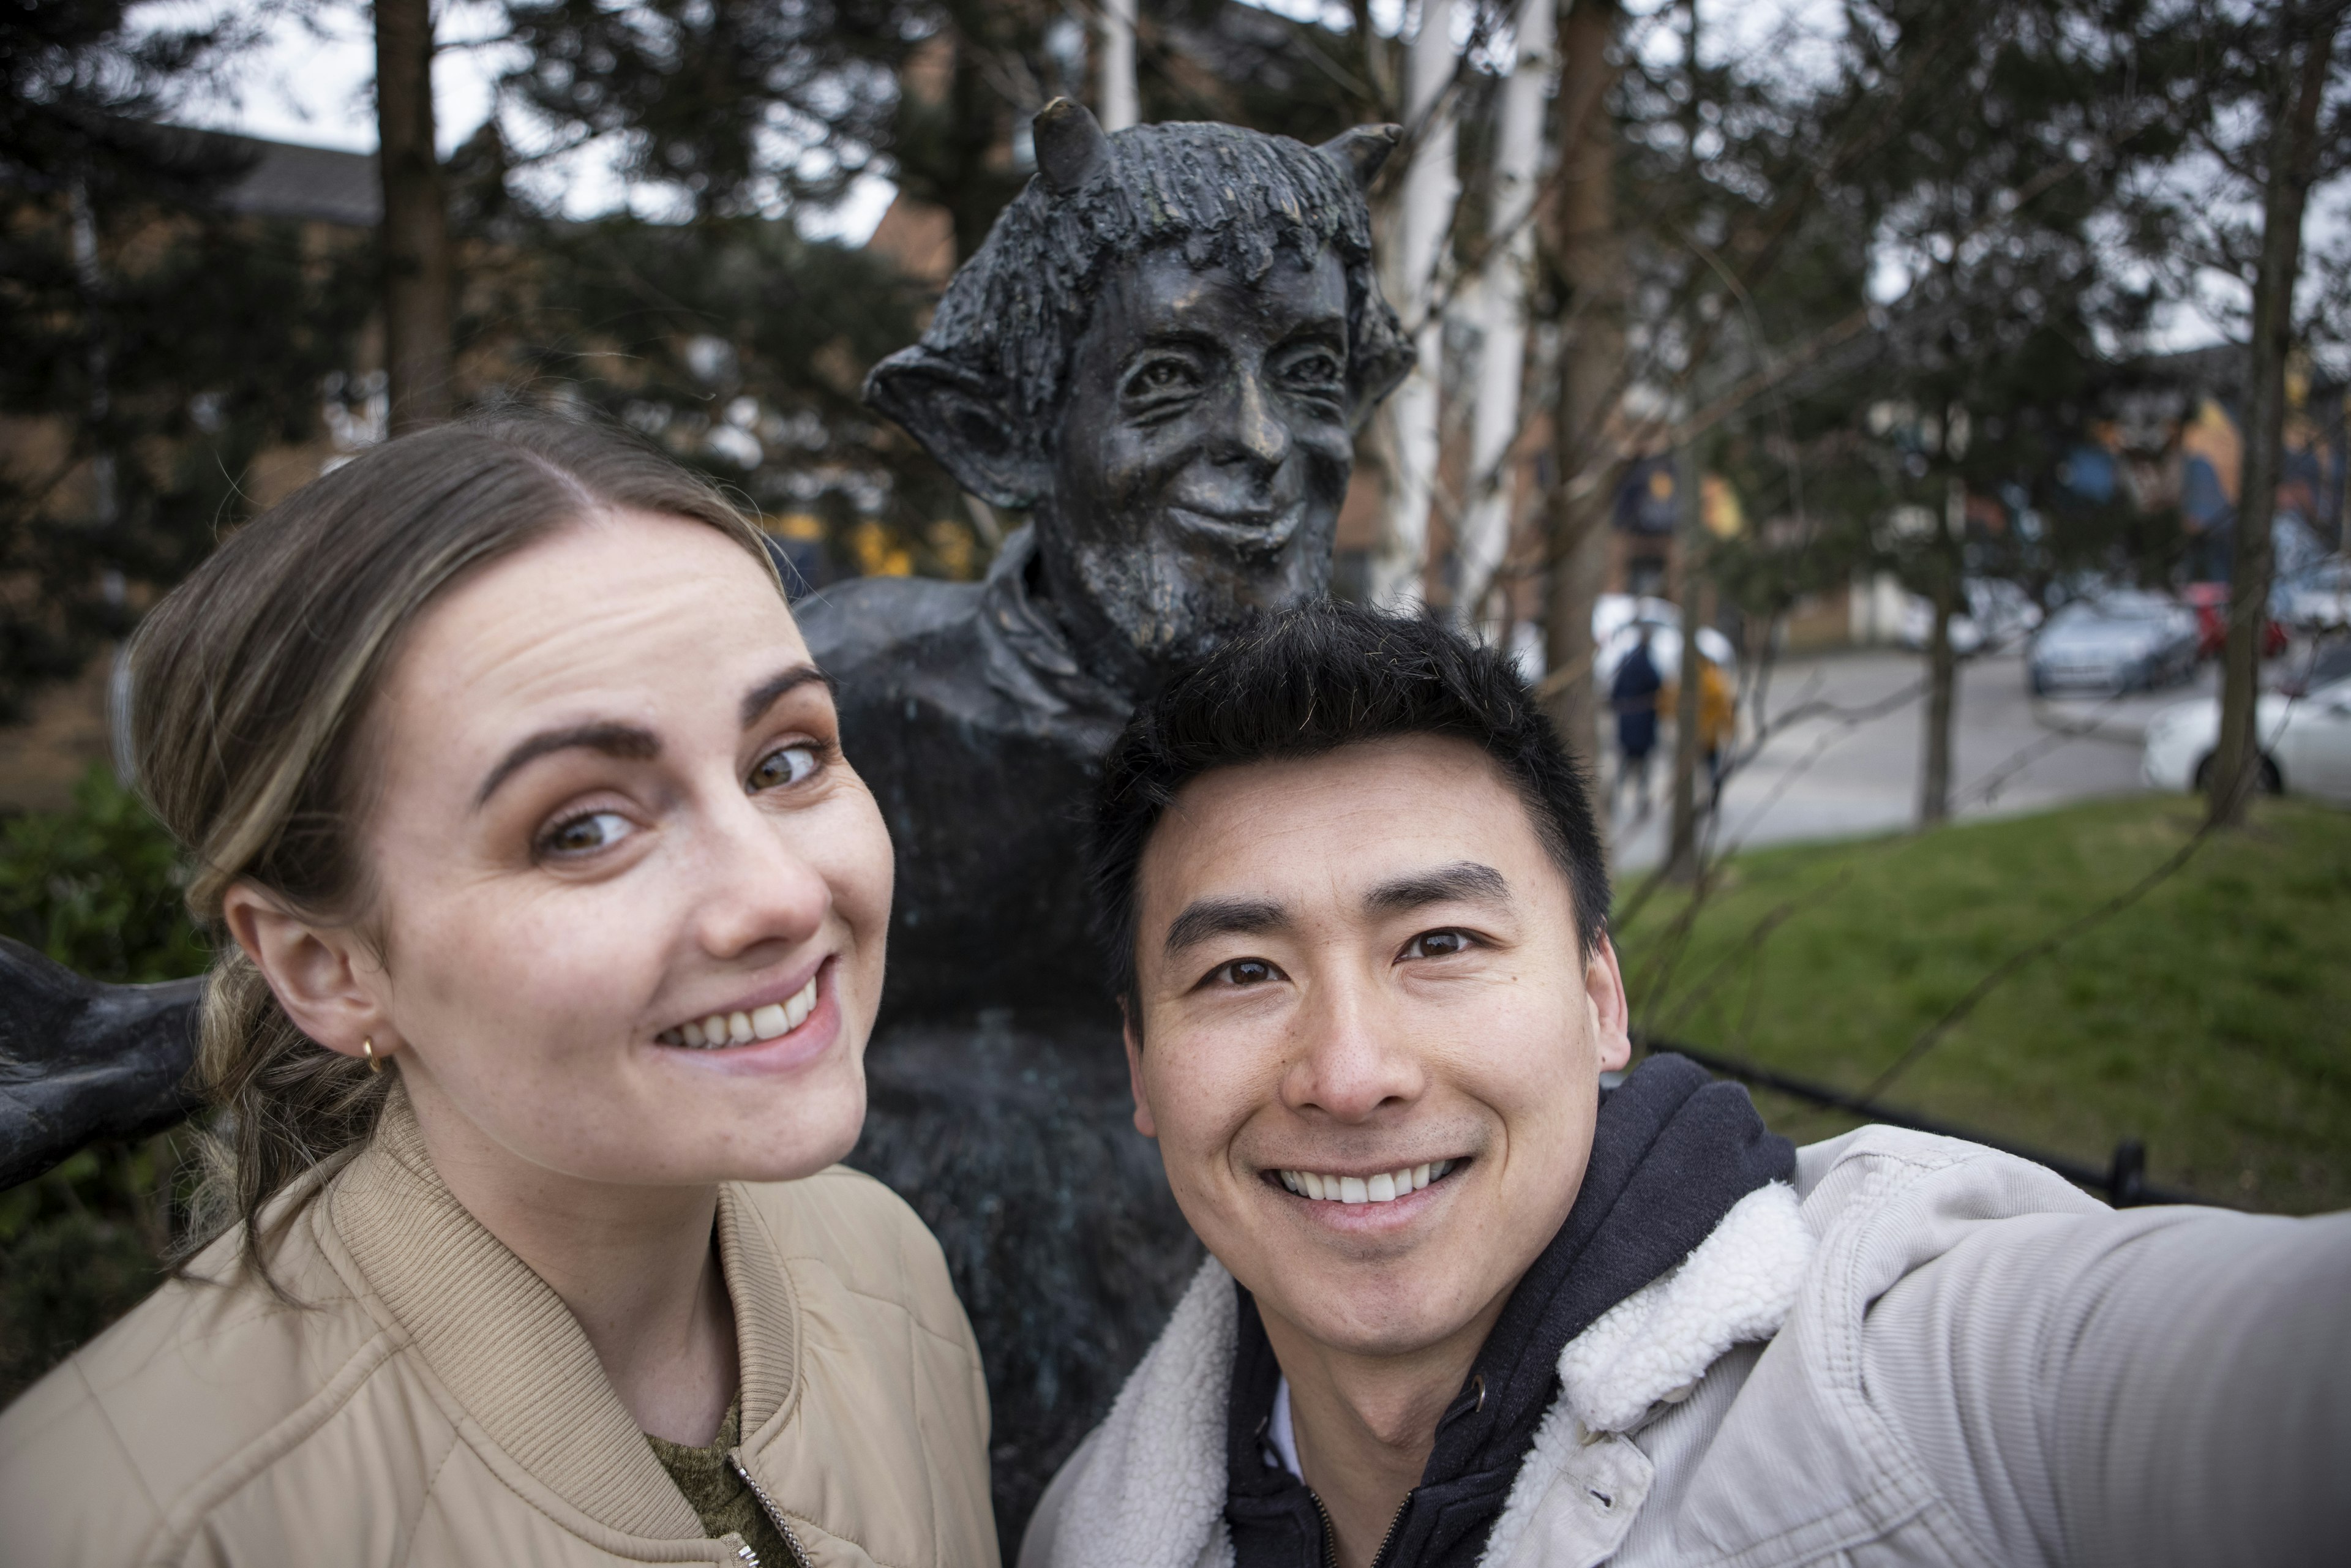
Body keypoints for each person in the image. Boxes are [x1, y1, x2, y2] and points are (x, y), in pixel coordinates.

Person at [1022, 599, 2351, 1568]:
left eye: (1440, 942)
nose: (1352, 1070)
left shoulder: (1896, 1366)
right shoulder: (1088, 1528)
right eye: (1244, 970)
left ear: (1603, 1000)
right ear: (1142, 1066)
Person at [0, 415, 997, 1567]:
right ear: (326, 968)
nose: (776, 893)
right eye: (583, 829)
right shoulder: (120, 1523)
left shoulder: (890, 1276)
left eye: (785, 760)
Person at [1608, 626, 1663, 821]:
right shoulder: (1646, 664)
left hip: (1628, 722)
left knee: (1627, 764)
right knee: (1640, 766)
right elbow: (1658, 685)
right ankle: (1640, 801)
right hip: (1642, 723)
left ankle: (1616, 799)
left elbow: (1614, 693)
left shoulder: (1628, 662)